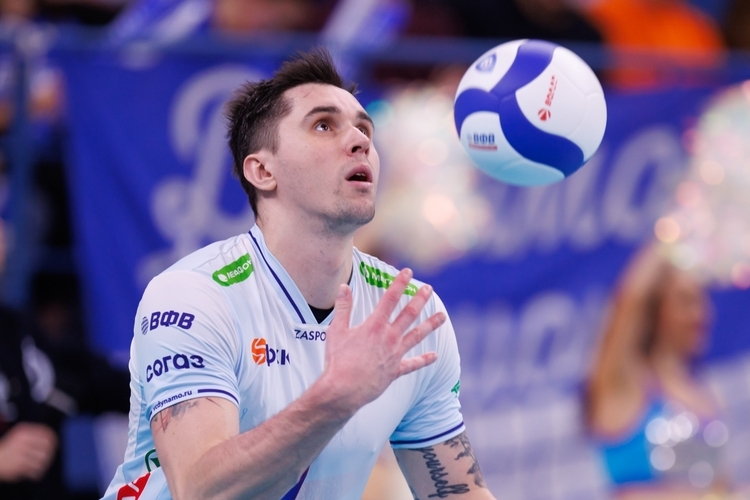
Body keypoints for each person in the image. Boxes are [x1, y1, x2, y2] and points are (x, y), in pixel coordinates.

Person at [102, 48, 496, 500]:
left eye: (364, 129)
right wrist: (335, 398)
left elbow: (457, 492)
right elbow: (201, 490)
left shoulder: (410, 312)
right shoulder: (192, 295)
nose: (359, 140)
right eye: (324, 125)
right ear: (263, 170)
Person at [585, 246, 730, 499]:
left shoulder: (700, 391)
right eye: (685, 301)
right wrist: (673, 234)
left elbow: (718, 488)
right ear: (653, 309)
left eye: (701, 300)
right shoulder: (624, 385)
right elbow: (629, 300)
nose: (700, 314)